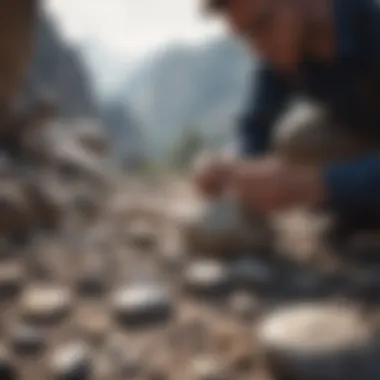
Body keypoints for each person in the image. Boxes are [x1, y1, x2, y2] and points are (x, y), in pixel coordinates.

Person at [194, 0, 380, 229]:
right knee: (298, 144)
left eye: (261, 25)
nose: (258, 48)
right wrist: (233, 167)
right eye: (247, 36)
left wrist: (313, 185)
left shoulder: (371, 21)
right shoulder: (285, 50)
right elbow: (255, 125)